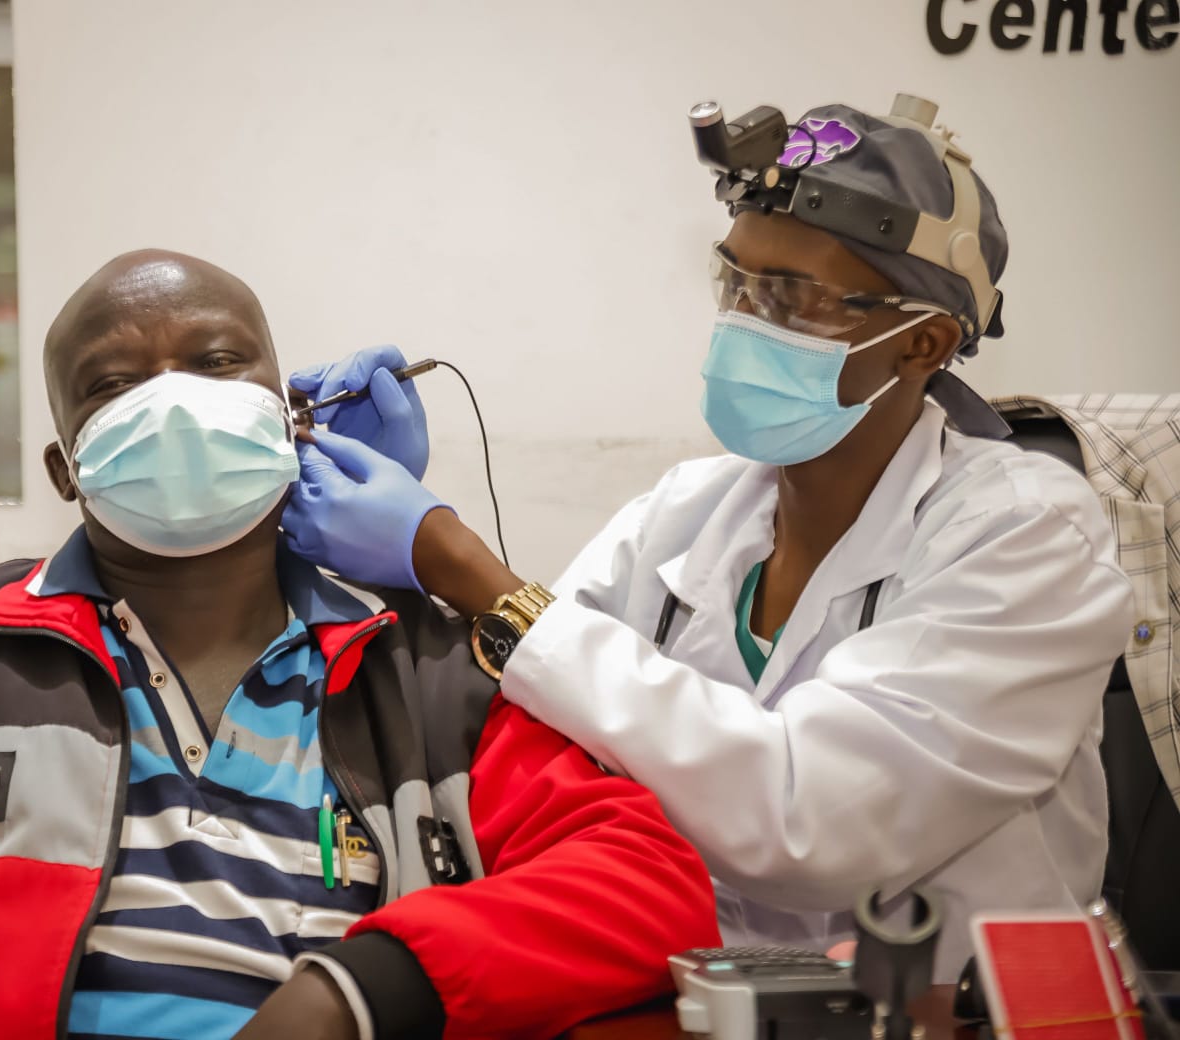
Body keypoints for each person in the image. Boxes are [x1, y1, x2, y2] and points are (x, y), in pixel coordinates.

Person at [0, 250, 718, 1040]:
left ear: (289, 416)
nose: (173, 400)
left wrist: (362, 989)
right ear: (66, 466)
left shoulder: (431, 675)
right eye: (113, 383)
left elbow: (651, 883)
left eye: (216, 362)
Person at [284, 100, 1136, 980]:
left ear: (922, 343)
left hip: (950, 1016)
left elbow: (805, 819)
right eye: (734, 282)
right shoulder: (689, 512)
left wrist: (446, 553)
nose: (742, 323)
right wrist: (410, 559)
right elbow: (525, 710)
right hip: (693, 1002)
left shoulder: (1027, 534)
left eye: (790, 299)